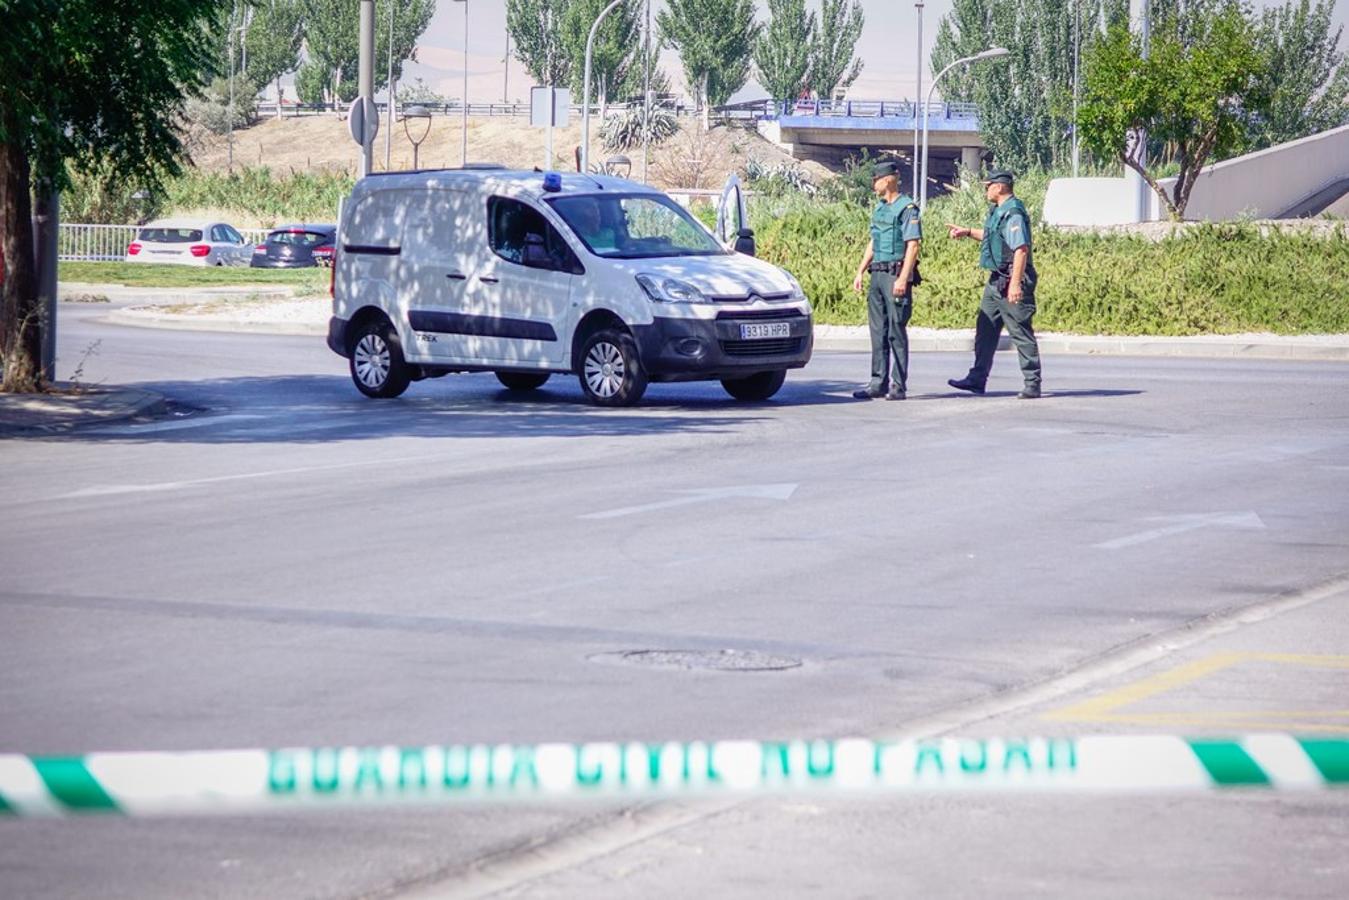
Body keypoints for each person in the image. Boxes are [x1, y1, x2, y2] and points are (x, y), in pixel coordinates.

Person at [945, 170, 1042, 399]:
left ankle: (1032, 382)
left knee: (1020, 331)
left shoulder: (1013, 212)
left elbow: (1020, 250)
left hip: (1011, 279)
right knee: (985, 329)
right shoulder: (998, 212)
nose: (985, 189)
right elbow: (992, 236)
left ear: (999, 187)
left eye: (988, 185)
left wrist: (1016, 285)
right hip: (996, 281)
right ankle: (977, 379)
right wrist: (967, 232)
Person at [851, 160, 922, 401]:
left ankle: (898, 385)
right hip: (878, 274)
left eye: (877, 179)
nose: (874, 184)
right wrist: (860, 270)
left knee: (896, 330)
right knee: (877, 330)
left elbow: (913, 246)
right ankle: (877, 382)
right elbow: (873, 242)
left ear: (889, 179)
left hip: (895, 274)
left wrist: (903, 278)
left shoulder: (907, 208)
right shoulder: (880, 208)